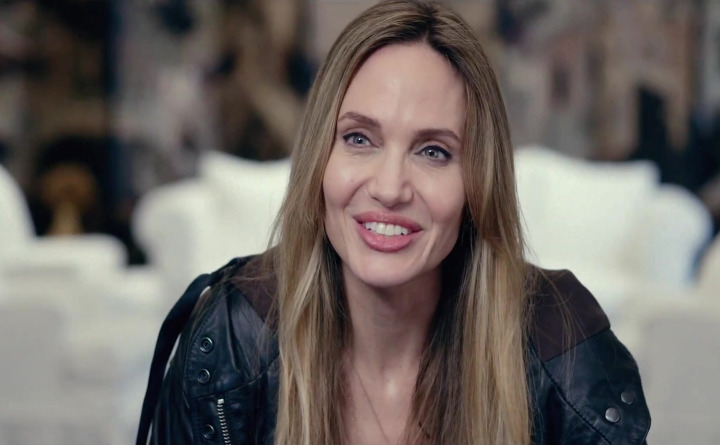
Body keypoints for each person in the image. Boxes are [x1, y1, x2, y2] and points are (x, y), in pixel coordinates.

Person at [137, 1, 651, 444]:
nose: (389, 188)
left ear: (477, 183)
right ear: (320, 157)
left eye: (433, 151)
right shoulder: (232, 337)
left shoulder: (560, 345)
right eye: (359, 139)